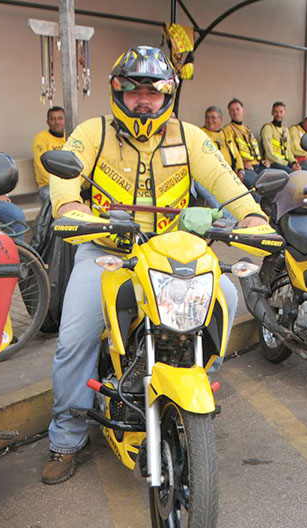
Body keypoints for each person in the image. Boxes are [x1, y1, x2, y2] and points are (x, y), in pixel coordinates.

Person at [43, 46, 270, 484]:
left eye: (153, 92)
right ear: (118, 93)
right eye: (134, 92)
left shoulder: (188, 137)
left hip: (173, 252)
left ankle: (188, 394)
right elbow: (64, 186)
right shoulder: (93, 133)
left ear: (168, 95)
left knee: (223, 295)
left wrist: (253, 217)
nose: (143, 101)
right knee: (74, 339)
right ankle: (66, 438)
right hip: (107, 251)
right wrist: (73, 209)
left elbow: (226, 179)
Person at [195, 106, 239, 219]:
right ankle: (229, 218)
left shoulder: (225, 134)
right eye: (207, 117)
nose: (210, 121)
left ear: (220, 120)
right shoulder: (200, 133)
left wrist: (241, 169)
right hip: (208, 174)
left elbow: (236, 154)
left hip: (228, 172)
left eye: (213, 118)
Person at [224, 98, 268, 189]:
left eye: (237, 109)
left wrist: (263, 160)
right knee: (259, 187)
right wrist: (242, 165)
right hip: (245, 167)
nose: (235, 112)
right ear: (229, 113)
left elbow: (254, 148)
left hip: (258, 165)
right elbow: (233, 152)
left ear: (243, 111)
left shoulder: (246, 128)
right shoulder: (228, 129)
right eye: (232, 110)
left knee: (275, 182)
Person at [32, 106, 67, 206]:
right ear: (47, 122)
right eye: (53, 119)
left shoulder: (70, 136)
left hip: (68, 185)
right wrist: (59, 184)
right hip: (48, 186)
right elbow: (41, 167)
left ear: (65, 120)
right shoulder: (41, 138)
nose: (57, 122)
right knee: (59, 204)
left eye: (60, 118)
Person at [259, 101, 297, 173]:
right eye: (276, 112)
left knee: (303, 172)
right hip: (273, 163)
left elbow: (288, 151)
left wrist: (294, 162)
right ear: (272, 113)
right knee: (293, 175)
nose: (278, 114)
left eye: (281, 111)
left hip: (285, 163)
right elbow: (269, 154)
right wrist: (288, 164)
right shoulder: (268, 128)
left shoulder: (285, 129)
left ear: (285, 113)